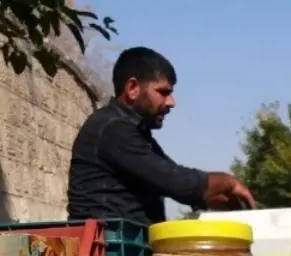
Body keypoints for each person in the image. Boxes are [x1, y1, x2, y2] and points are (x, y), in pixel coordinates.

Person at [68, 47, 254, 223]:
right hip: (102, 250)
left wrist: (217, 198)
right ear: (132, 88)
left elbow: (169, 175)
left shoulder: (136, 134)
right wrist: (226, 183)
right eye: (163, 92)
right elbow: (175, 181)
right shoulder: (112, 128)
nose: (171, 102)